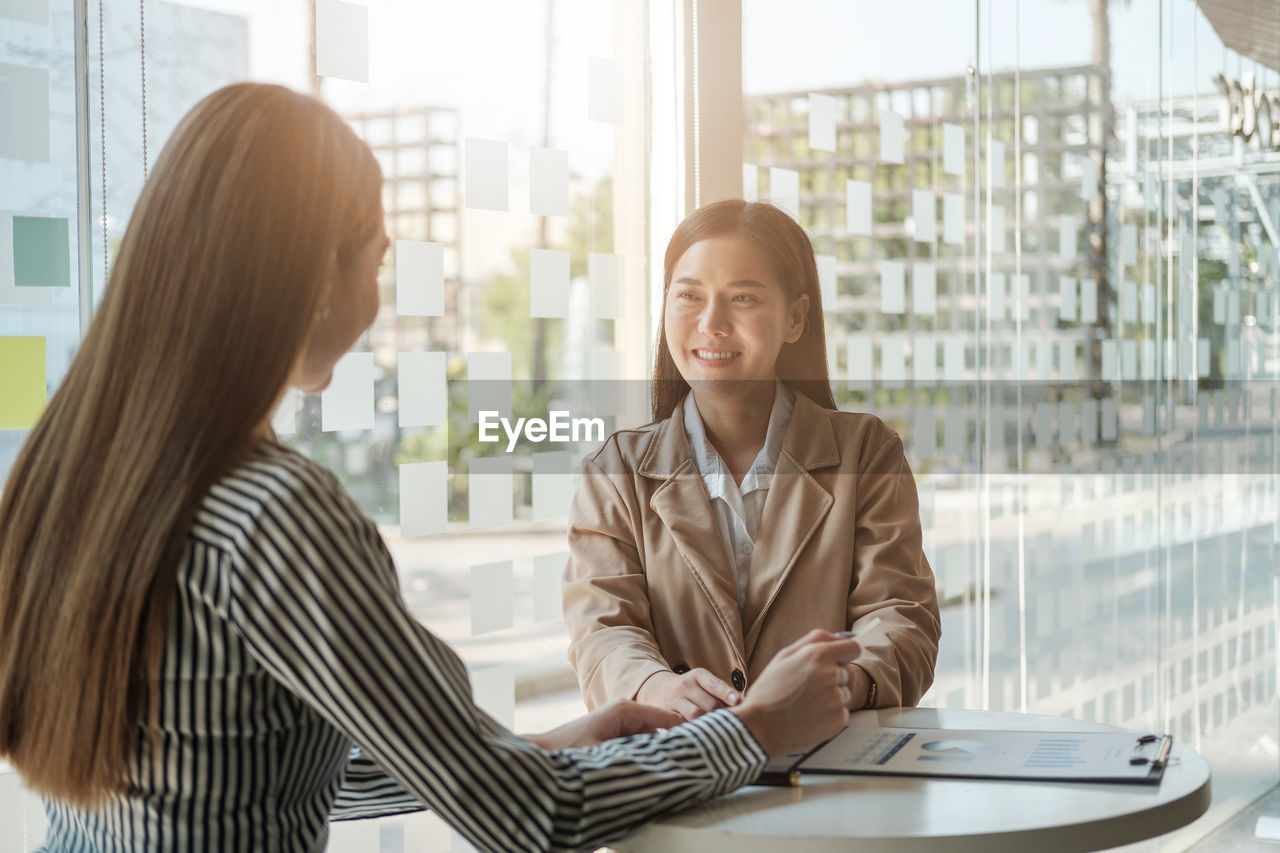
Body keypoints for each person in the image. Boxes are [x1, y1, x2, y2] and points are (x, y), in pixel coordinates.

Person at [0, 85, 863, 853]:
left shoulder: (70, 472)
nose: (378, 302)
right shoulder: (276, 514)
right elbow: (531, 819)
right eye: (375, 260)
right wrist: (754, 728)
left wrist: (548, 745)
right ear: (312, 280)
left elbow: (260, 764)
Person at [562, 199, 941, 722]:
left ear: (796, 319)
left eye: (742, 298)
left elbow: (900, 616)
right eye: (689, 296)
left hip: (831, 766)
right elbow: (602, 628)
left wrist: (839, 683)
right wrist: (653, 686)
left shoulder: (867, 452)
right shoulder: (616, 473)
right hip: (681, 767)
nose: (712, 324)